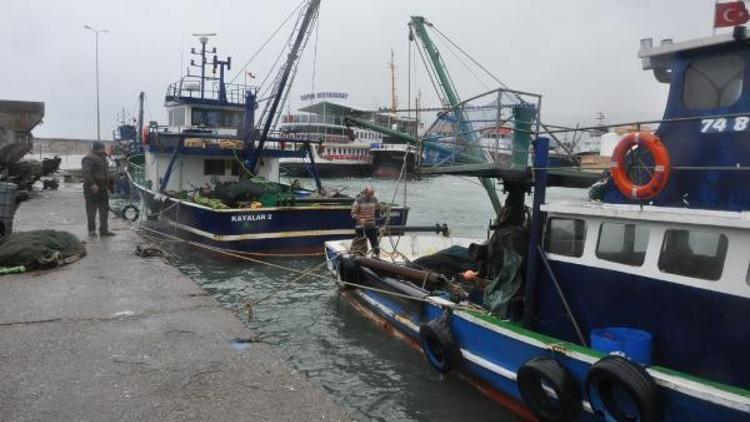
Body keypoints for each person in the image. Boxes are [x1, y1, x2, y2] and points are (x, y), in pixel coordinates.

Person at [81, 141, 114, 237]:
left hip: (103, 187)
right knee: (92, 210)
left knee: (104, 209)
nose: (104, 150)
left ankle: (104, 230)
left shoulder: (103, 157)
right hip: (91, 189)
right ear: (97, 149)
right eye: (102, 148)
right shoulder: (89, 158)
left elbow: (106, 172)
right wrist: (92, 184)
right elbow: (86, 173)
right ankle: (92, 231)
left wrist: (110, 183)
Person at [351, 186, 380, 257]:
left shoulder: (374, 199)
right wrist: (359, 219)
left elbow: (377, 208)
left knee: (375, 243)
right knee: (361, 244)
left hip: (371, 225)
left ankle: (377, 255)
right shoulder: (359, 200)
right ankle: (361, 257)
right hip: (361, 227)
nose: (371, 196)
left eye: (372, 194)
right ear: (365, 193)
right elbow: (353, 213)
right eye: (369, 194)